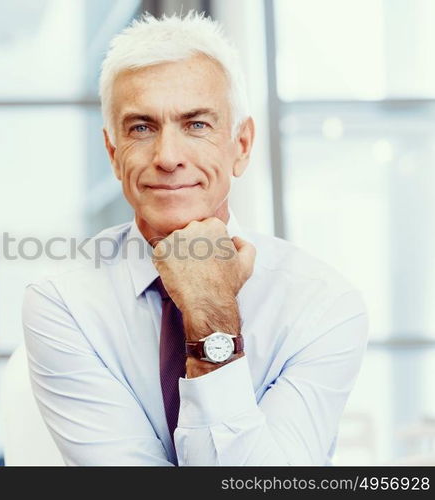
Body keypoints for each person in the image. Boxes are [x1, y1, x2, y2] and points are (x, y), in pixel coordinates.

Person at [22, 11, 368, 465]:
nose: (167, 157)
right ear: (112, 152)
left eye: (197, 125)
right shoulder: (63, 303)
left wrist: (212, 321)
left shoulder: (322, 303)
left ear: (241, 145)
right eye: (141, 128)